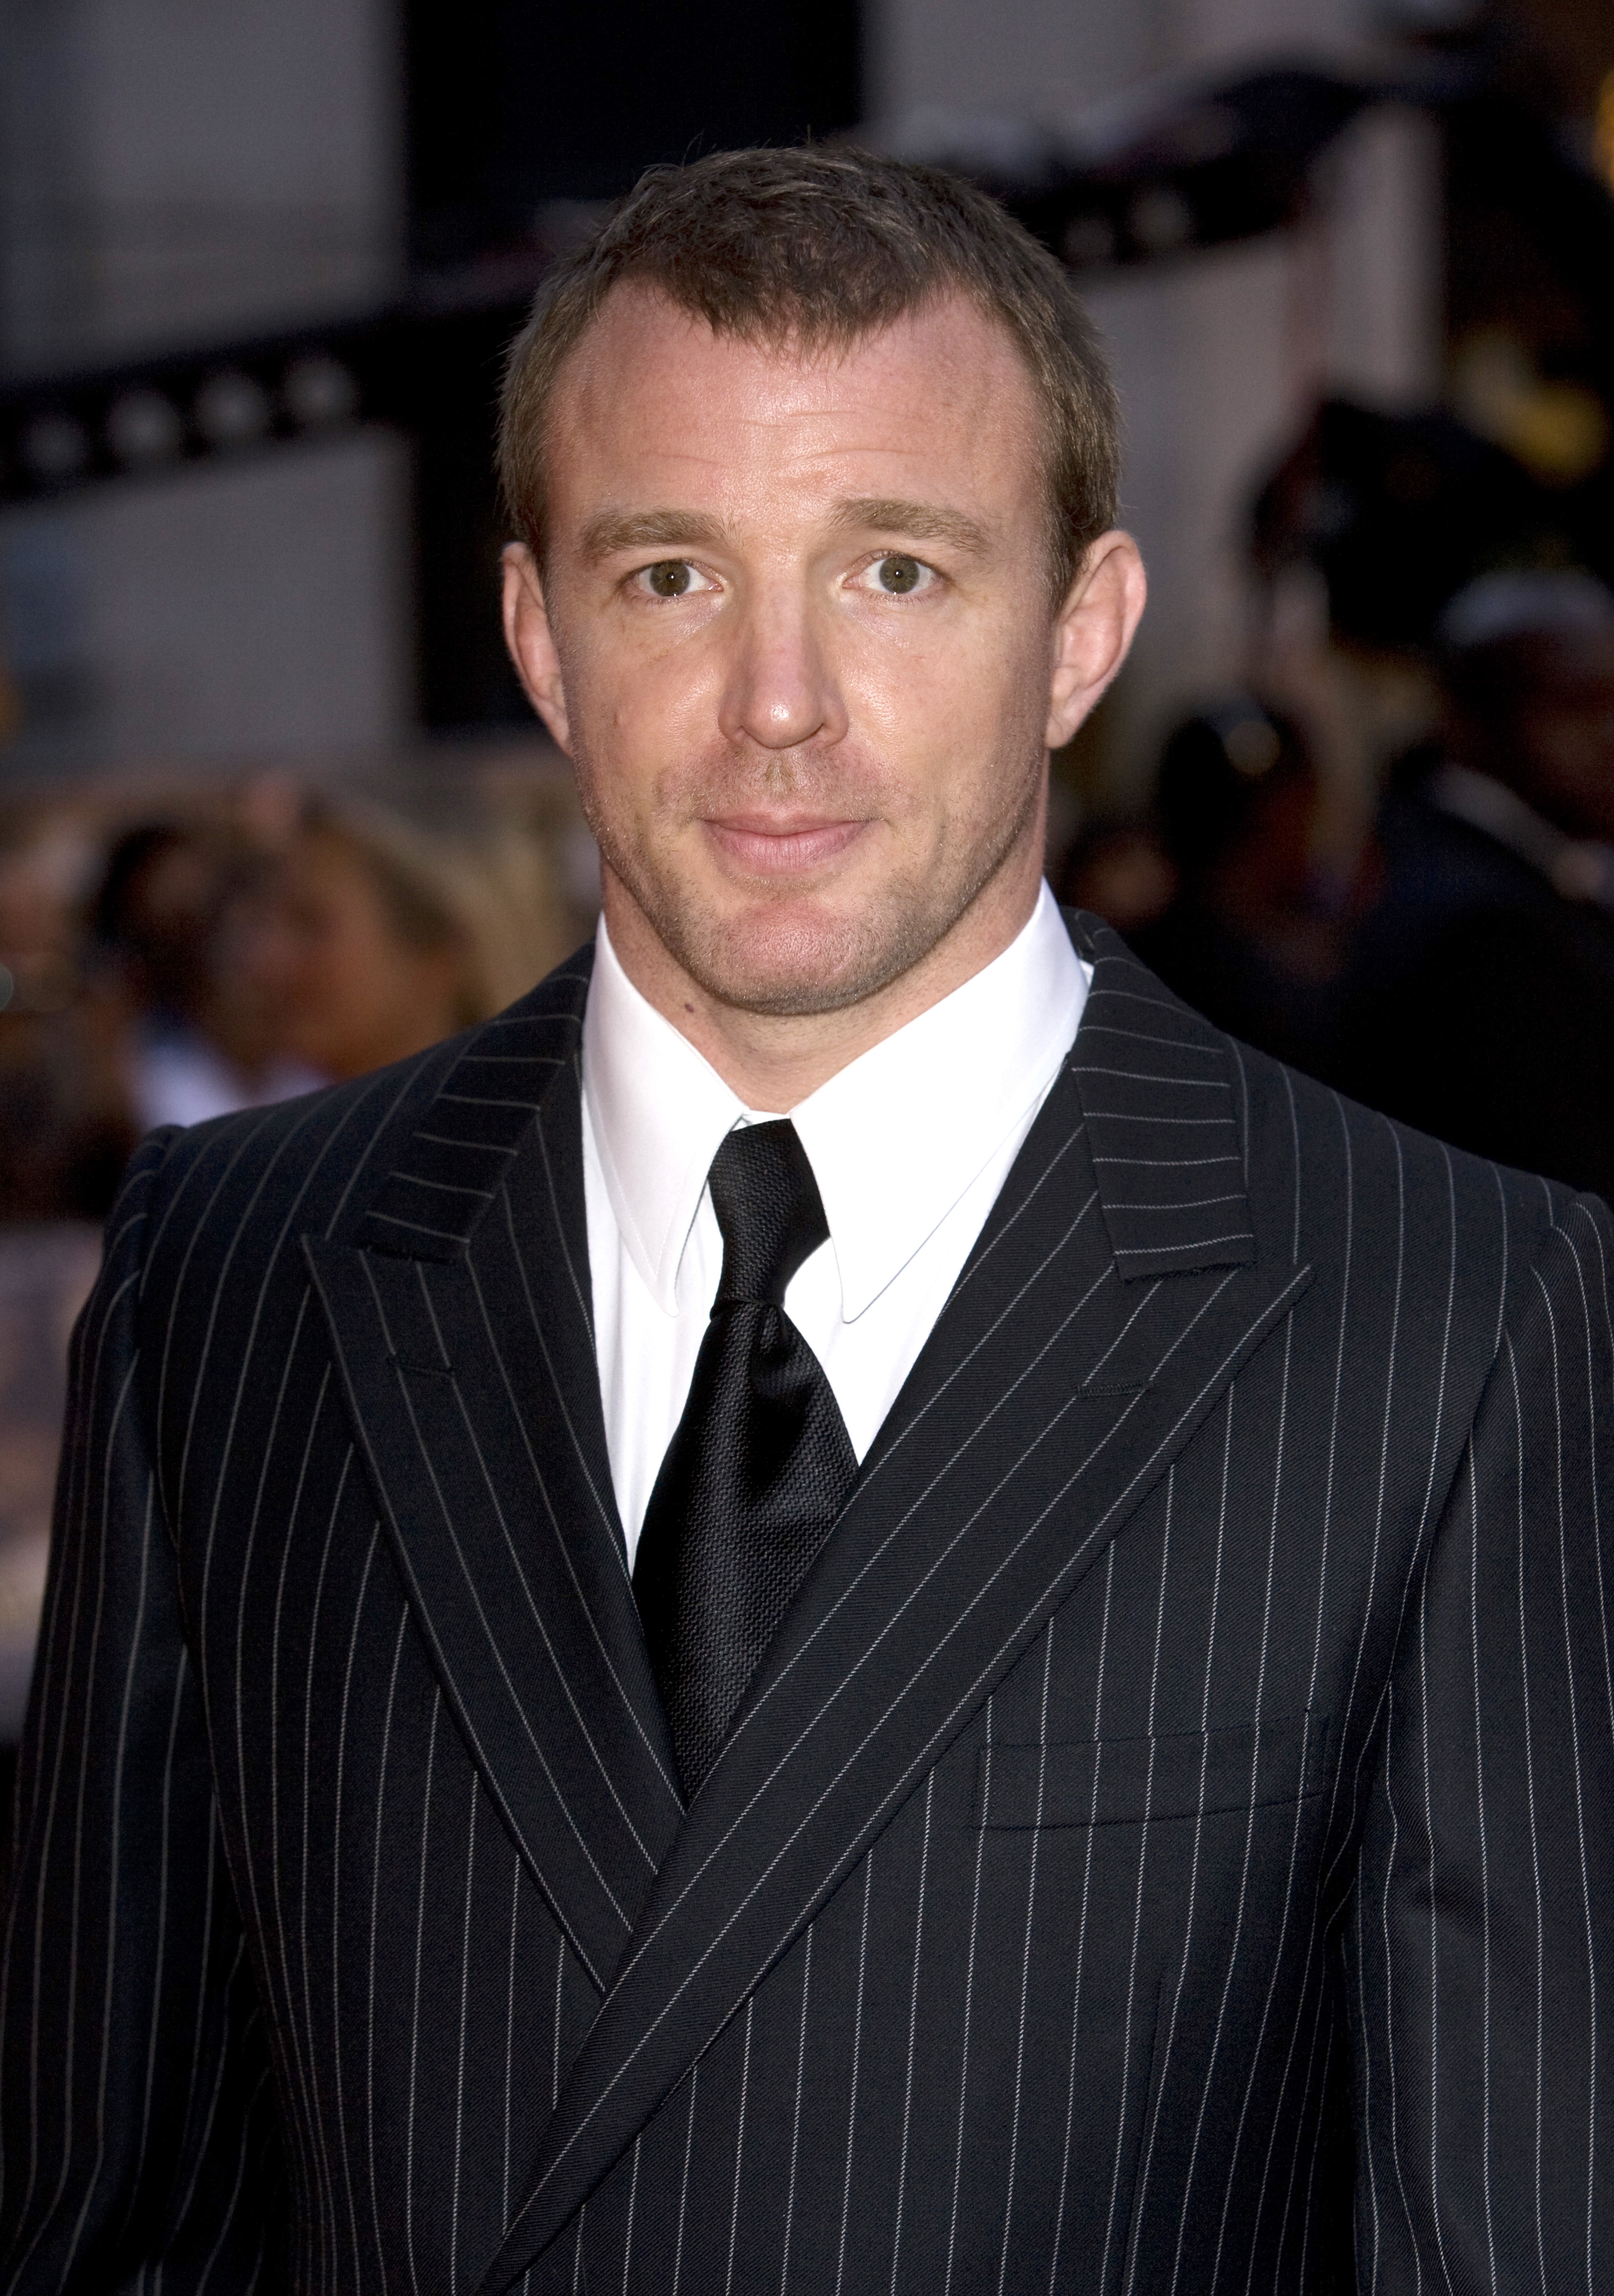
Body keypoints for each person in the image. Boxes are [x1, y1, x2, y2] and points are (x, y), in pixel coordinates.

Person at [2, 147, 1610, 2296]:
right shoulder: (237, 1276)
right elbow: (111, 2211)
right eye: (671, 573)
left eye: (894, 573)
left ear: (1079, 634)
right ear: (537, 636)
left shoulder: (1449, 1314)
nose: (776, 698)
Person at [1336, 568, 1614, 1197]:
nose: (1608, 738)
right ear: (1467, 720)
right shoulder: (1486, 928)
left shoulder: (1504, 881)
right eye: (1577, 704)